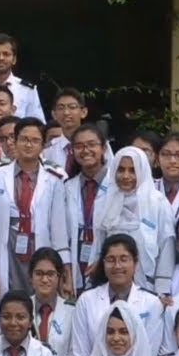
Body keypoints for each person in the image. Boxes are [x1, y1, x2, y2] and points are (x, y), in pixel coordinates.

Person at [0, 118, 69, 309]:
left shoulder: (54, 180)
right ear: (15, 141)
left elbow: (59, 234)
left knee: (38, 309)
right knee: (6, 311)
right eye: (24, 139)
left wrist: (65, 275)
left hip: (38, 250)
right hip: (7, 251)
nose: (28, 145)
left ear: (43, 145)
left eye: (35, 140)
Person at [69, 235, 166, 356]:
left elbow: (149, 354)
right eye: (111, 260)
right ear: (103, 263)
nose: (117, 266)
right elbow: (81, 354)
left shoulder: (152, 303)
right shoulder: (86, 300)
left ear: (135, 263)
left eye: (124, 259)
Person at [88, 146, 175, 294]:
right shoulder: (105, 201)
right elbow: (99, 243)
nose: (126, 176)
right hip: (110, 280)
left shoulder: (157, 202)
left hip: (147, 283)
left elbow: (166, 245)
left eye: (133, 170)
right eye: (121, 170)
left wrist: (162, 289)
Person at [65, 123, 109, 292]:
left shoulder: (116, 185)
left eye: (91, 145)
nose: (85, 150)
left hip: (106, 259)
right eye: (79, 146)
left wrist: (103, 259)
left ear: (103, 148)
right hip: (76, 257)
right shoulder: (67, 187)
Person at [27, 248, 75, 356]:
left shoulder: (72, 311)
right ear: (30, 277)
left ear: (59, 278)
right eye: (39, 274)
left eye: (50, 274)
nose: (44, 279)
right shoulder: (21, 308)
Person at [0, 34, 45, 122]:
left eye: (6, 54)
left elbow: (37, 124)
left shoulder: (27, 90)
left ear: (14, 59)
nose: (1, 58)